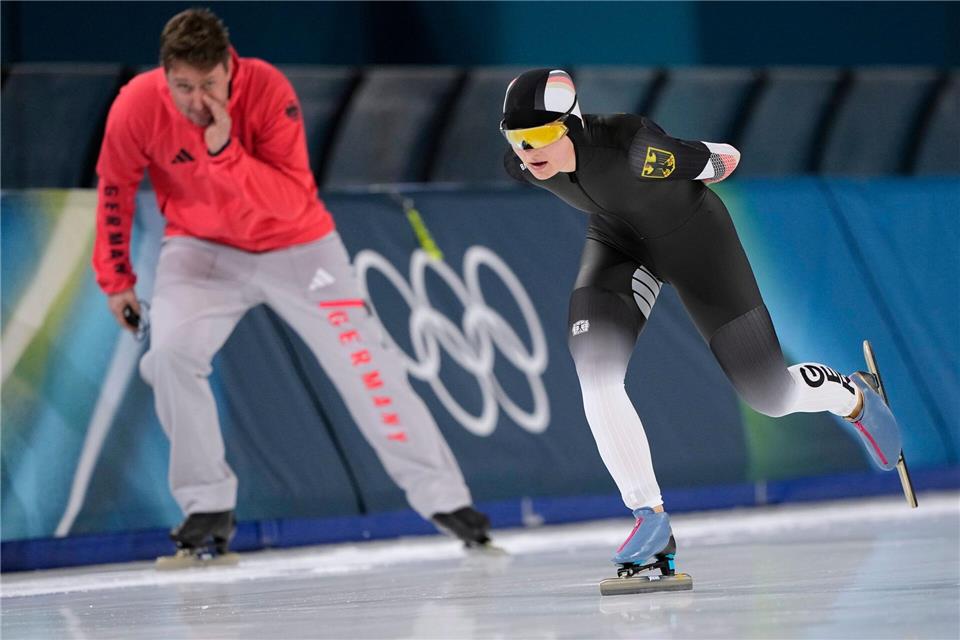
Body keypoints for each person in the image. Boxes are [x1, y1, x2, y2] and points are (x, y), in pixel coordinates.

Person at [92, 8, 491, 559]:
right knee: (169, 357)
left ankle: (447, 501)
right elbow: (114, 187)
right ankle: (207, 505)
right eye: (183, 87)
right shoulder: (137, 104)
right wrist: (116, 278)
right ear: (165, 75)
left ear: (229, 68)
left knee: (367, 369)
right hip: (202, 251)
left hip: (300, 251)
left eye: (208, 85)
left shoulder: (267, 90)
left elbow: (290, 199)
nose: (197, 100)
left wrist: (225, 153)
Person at [500, 68, 903, 578]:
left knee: (771, 397)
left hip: (699, 248)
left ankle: (853, 396)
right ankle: (650, 519)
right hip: (619, 247)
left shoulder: (631, 147)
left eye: (539, 135)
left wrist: (701, 161)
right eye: (516, 137)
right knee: (596, 374)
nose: (527, 150)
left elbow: (725, 159)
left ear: (573, 125)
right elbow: (537, 157)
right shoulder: (523, 164)